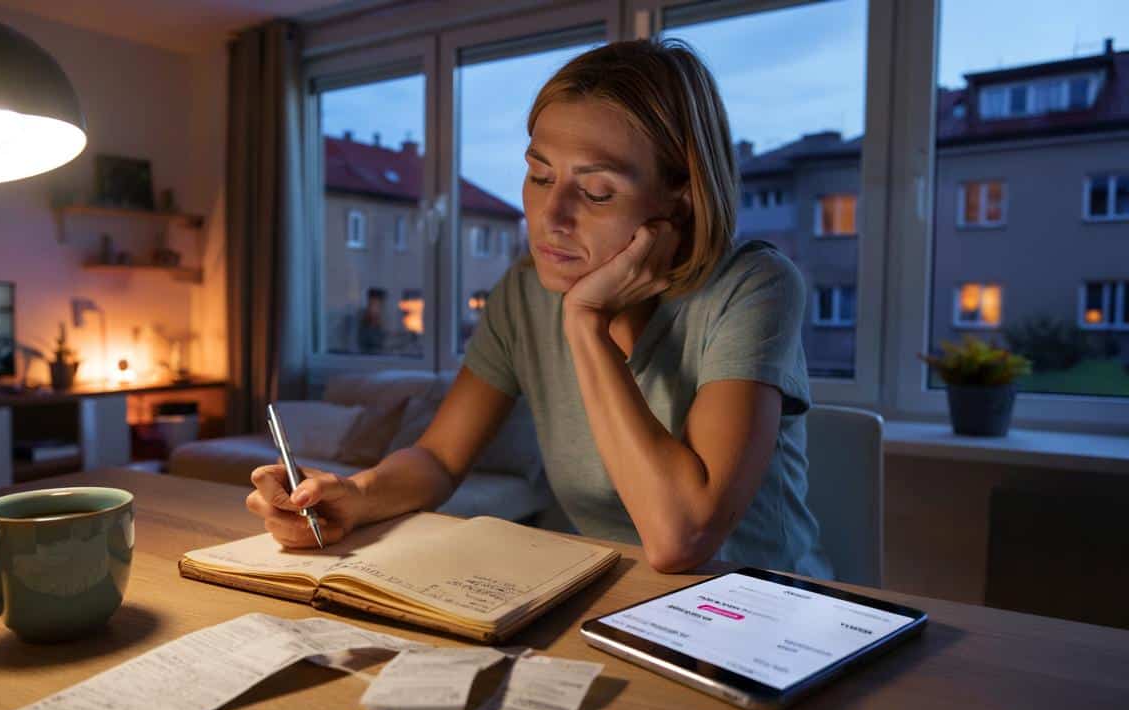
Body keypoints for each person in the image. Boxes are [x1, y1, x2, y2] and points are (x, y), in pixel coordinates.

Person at [248, 39, 832, 577]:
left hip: (761, 609)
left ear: (679, 200)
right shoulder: (523, 294)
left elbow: (682, 538)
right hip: (612, 598)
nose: (551, 217)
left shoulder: (753, 287)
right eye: (539, 175)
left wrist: (585, 324)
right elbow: (440, 457)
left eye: (596, 192)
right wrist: (354, 495)